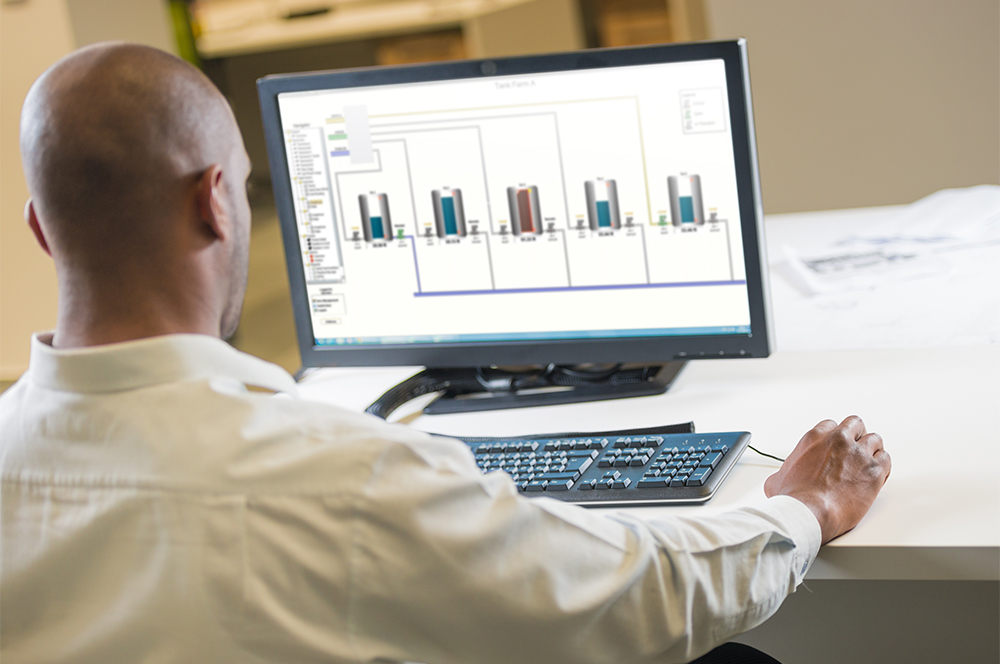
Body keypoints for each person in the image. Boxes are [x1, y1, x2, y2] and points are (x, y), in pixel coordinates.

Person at [0, 42, 891, 664]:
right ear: (217, 204)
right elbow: (637, 602)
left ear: (43, 230)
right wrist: (802, 507)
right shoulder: (327, 477)